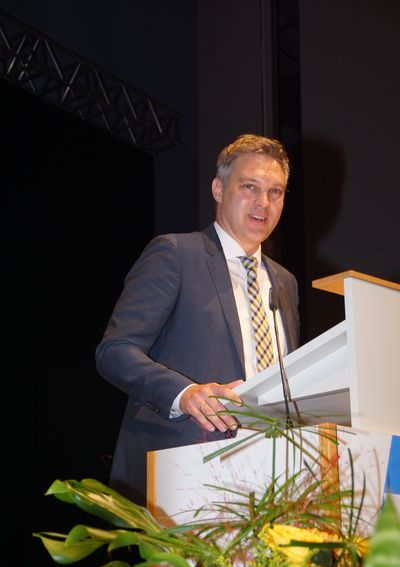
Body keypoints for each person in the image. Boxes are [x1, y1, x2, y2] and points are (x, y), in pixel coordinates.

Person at [96, 134, 300, 505]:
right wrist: (185, 394)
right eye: (250, 187)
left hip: (269, 473)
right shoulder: (176, 254)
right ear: (218, 189)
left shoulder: (285, 282)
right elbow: (115, 350)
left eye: (276, 192)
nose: (263, 203)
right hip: (184, 469)